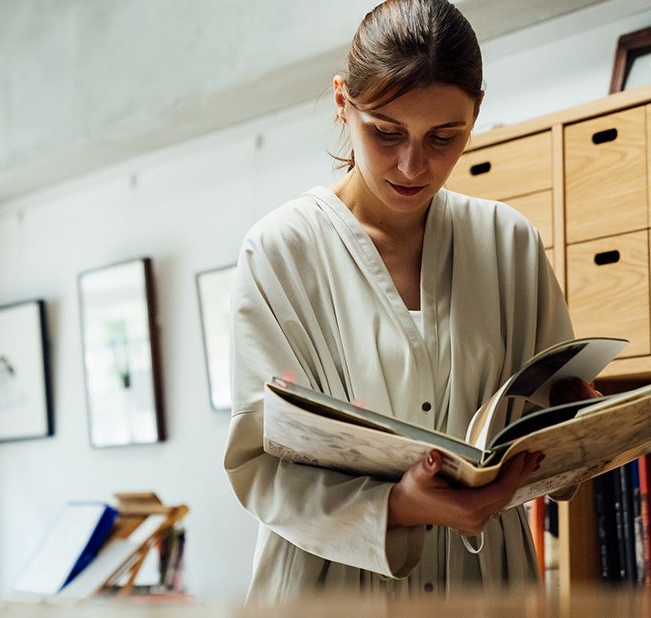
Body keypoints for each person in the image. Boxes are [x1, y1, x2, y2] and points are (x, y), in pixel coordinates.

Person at [224, 0, 599, 603]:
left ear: (475, 115)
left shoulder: (509, 243)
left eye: (444, 137)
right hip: (332, 590)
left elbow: (549, 427)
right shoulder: (279, 251)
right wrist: (395, 506)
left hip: (485, 584)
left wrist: (576, 428)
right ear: (343, 104)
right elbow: (260, 463)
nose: (412, 165)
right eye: (386, 133)